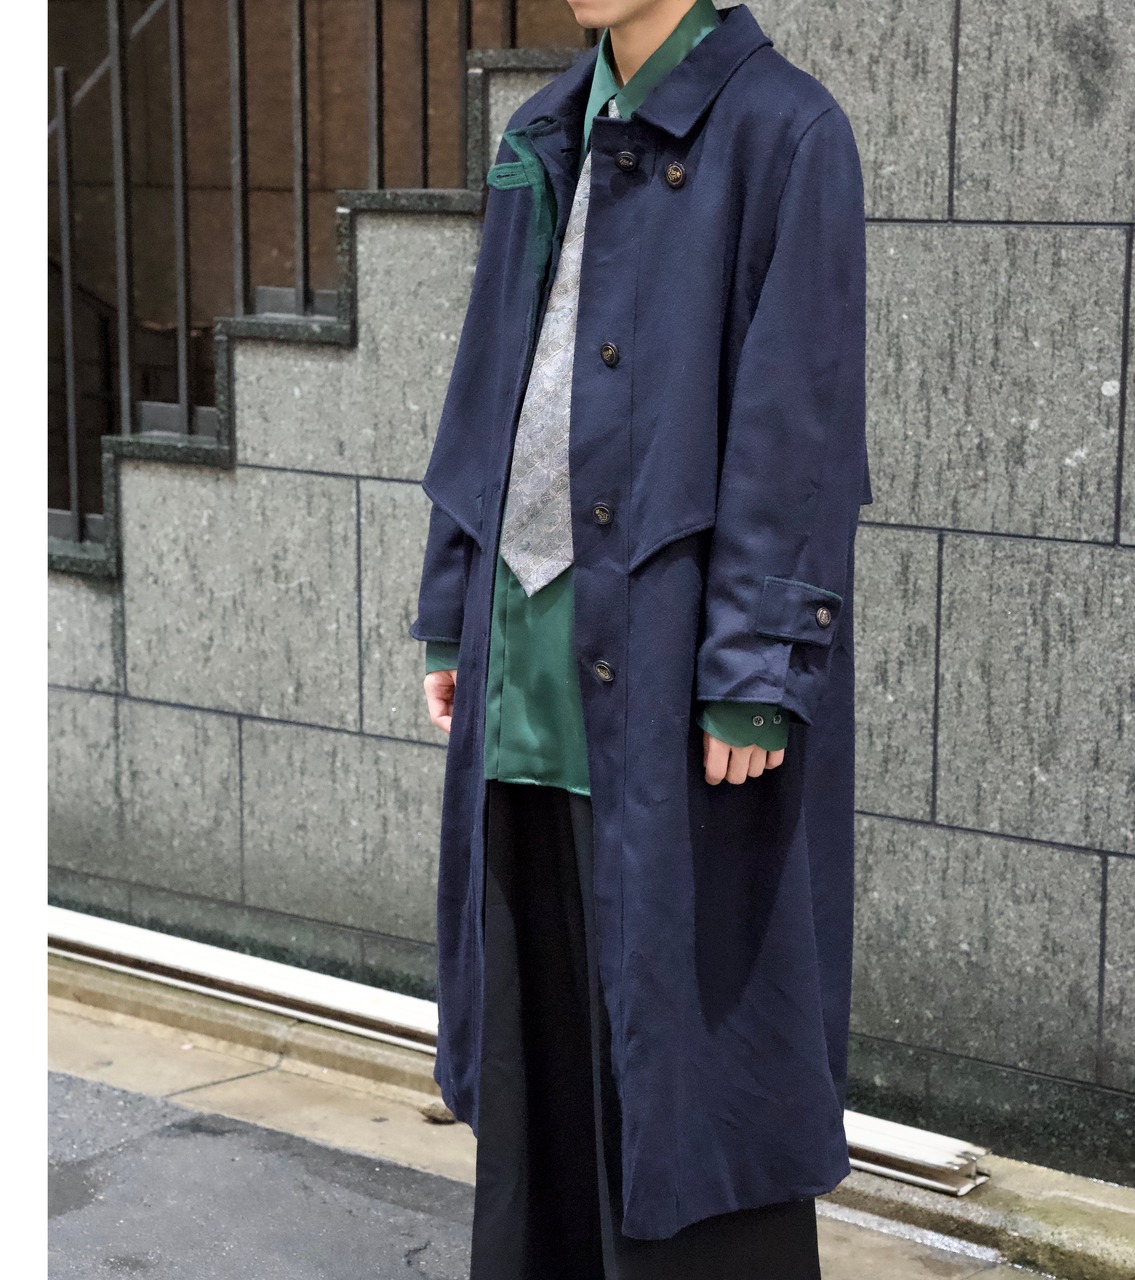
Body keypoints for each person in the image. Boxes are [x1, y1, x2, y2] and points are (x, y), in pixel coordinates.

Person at [410, 1, 872, 1275]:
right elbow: (486, 390)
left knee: (690, 1047)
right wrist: (451, 601)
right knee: (541, 1036)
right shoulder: (543, 130)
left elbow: (800, 423)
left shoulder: (784, 131)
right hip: (527, 653)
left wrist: (755, 668)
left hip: (671, 665)